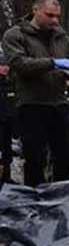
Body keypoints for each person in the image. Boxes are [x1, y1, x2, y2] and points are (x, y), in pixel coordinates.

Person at [1, 0, 69, 186]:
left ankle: (62, 196)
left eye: (57, 16)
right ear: (36, 10)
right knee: (35, 158)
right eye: (49, 15)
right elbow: (19, 63)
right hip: (31, 103)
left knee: (66, 156)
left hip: (59, 102)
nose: (54, 20)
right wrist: (52, 63)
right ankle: (35, 199)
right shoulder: (16, 35)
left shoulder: (61, 37)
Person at [0, 54, 15, 183]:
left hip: (8, 127)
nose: (5, 68)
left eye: (6, 65)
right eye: (2, 65)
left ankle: (6, 178)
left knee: (6, 155)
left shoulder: (11, 84)